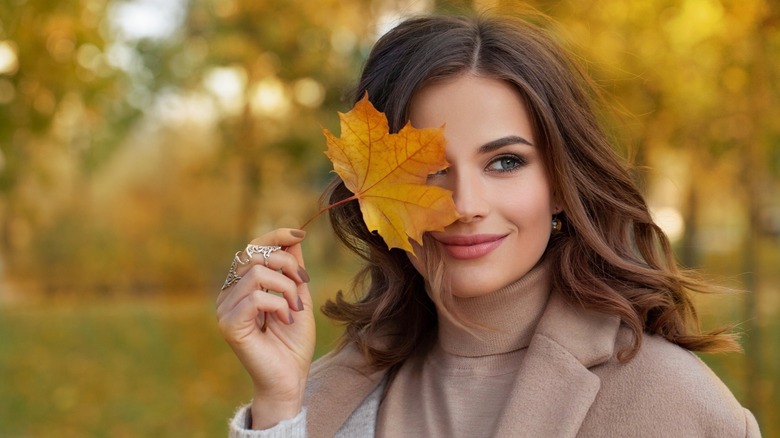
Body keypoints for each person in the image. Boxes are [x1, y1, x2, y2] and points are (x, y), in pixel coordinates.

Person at [216, 13, 761, 438]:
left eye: (505, 162)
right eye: (430, 171)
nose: (465, 204)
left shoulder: (675, 403)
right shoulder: (324, 396)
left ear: (561, 187)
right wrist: (280, 406)